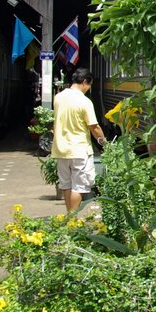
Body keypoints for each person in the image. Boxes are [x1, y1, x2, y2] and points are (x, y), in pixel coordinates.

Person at [50, 67, 106, 212]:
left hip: (60, 149)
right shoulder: (85, 101)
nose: (89, 88)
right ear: (84, 82)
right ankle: (73, 217)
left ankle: (69, 216)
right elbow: (94, 127)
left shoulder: (58, 97)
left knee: (66, 185)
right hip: (79, 149)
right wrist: (102, 141)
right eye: (89, 85)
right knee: (80, 187)